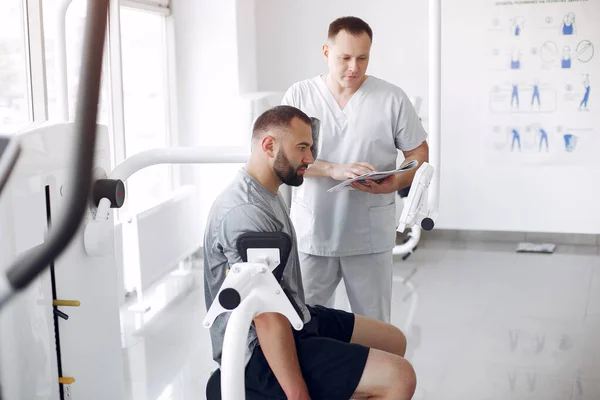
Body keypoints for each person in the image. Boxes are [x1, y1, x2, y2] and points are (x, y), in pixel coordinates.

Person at [204, 105, 416, 400]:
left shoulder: (266, 190)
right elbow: (266, 316)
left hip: (296, 318)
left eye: (311, 148)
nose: (310, 159)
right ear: (269, 145)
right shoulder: (246, 212)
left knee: (392, 341)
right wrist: (297, 393)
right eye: (302, 148)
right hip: (256, 355)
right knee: (399, 378)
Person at [281, 16, 429, 323]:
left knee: (374, 324)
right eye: (344, 58)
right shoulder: (300, 96)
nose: (354, 67)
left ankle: (373, 372)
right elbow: (285, 159)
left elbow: (418, 152)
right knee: (305, 323)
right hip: (315, 233)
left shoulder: (391, 98)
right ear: (326, 52)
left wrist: (393, 182)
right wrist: (333, 169)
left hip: (369, 236)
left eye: (362, 58)